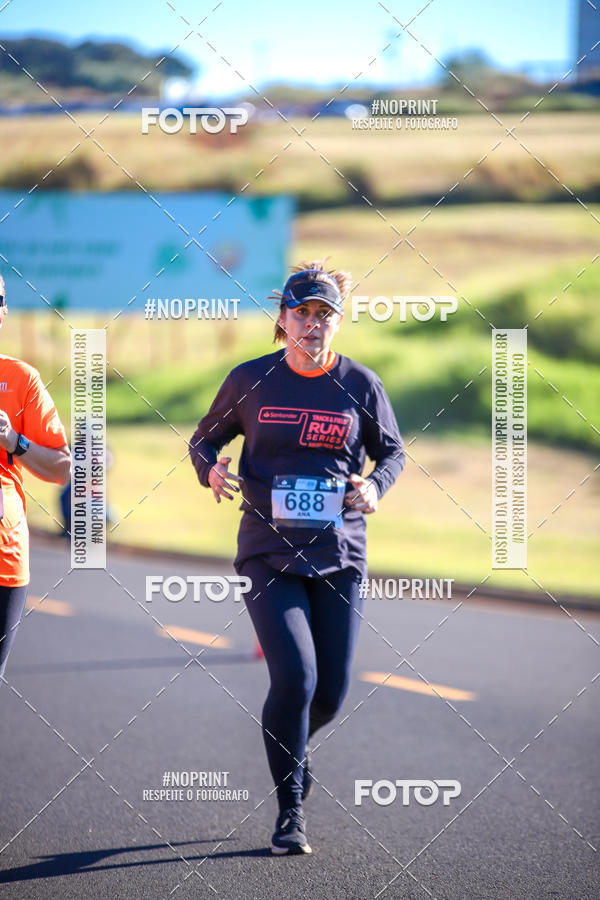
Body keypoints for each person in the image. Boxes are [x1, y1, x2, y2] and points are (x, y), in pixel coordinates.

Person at [189, 260, 404, 855]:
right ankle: (291, 813)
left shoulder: (361, 384)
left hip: (339, 554)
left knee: (329, 694)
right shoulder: (250, 379)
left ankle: (293, 750)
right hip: (268, 552)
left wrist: (375, 485)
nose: (313, 323)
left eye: (324, 314)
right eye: (302, 312)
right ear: (282, 319)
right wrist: (210, 469)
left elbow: (392, 452)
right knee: (296, 678)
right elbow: (204, 438)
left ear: (339, 321)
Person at [0, 272, 71, 680]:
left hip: (4, 559)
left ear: (3, 313)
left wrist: (14, 441)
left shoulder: (21, 379)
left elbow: (62, 467)